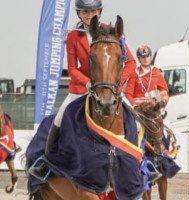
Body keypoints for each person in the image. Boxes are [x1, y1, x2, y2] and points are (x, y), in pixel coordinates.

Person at [29, 0, 136, 178]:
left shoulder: (112, 33)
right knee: (59, 119)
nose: (89, 15)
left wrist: (117, 82)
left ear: (99, 11)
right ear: (79, 13)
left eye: (93, 11)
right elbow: (72, 69)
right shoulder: (73, 36)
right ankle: (46, 163)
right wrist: (87, 83)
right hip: (81, 88)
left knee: (135, 118)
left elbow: (131, 62)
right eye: (85, 12)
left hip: (109, 88)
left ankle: (142, 163)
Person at [125, 45, 170, 183]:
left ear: (151, 57)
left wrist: (162, 101)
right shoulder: (134, 73)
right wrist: (135, 106)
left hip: (154, 108)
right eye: (142, 57)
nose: (145, 59)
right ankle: (137, 161)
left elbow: (164, 90)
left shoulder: (156, 72)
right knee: (137, 129)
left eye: (147, 56)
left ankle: (165, 160)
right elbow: (128, 93)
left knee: (166, 131)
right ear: (139, 58)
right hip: (140, 110)